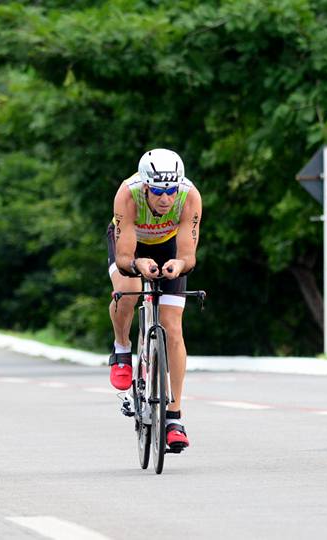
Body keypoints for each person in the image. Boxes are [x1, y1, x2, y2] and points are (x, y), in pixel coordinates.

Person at [107, 148, 202, 452]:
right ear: (146, 186)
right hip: (130, 245)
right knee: (128, 291)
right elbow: (124, 257)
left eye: (171, 190)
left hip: (168, 245)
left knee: (173, 328)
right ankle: (122, 348)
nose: (166, 198)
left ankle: (174, 417)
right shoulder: (128, 193)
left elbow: (187, 254)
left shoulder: (189, 196)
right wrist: (138, 264)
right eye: (159, 191)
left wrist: (178, 265)